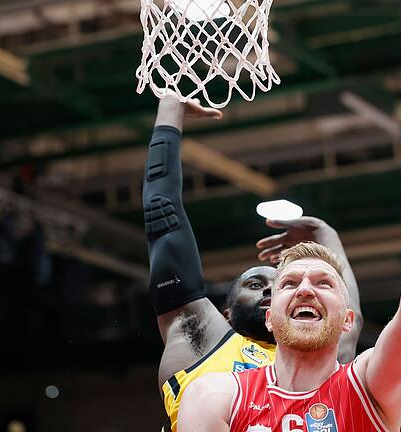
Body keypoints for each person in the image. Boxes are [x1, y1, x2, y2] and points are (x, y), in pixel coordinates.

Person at [177, 77, 401, 431]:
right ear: (270, 318)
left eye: (323, 283)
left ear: (348, 320)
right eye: (289, 282)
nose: (305, 289)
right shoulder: (216, 394)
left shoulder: (367, 386)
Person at [143, 93, 364, 431]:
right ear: (225, 312)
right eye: (255, 285)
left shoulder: (320, 352)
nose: (270, 290)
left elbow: (347, 311)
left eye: (280, 286)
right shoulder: (200, 335)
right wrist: (170, 111)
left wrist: (328, 236)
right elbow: (163, 221)